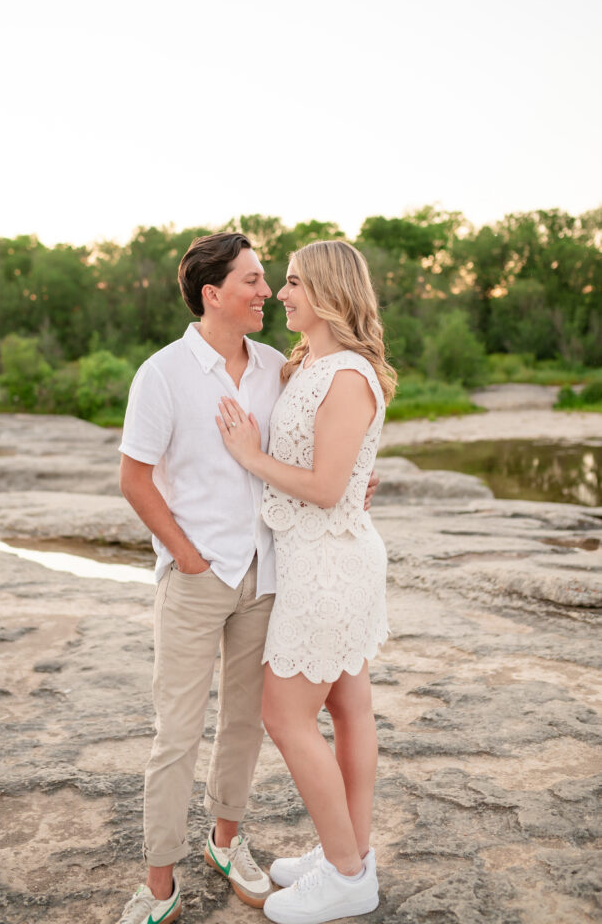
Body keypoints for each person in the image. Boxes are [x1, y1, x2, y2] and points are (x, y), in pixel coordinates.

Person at [114, 231, 379, 924]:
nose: (267, 292)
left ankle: (225, 844)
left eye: (275, 281)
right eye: (255, 281)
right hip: (197, 576)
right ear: (213, 293)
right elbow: (133, 480)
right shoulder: (162, 373)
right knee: (176, 732)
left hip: (269, 576)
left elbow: (329, 440)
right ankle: (158, 885)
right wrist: (186, 555)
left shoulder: (275, 367)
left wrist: (352, 483)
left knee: (244, 726)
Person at [215, 239, 397, 924]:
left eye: (291, 283)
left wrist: (249, 455)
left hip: (328, 564)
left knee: (284, 716)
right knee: (347, 709)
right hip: (313, 556)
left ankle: (348, 877)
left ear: (325, 292)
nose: (279, 294)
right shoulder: (309, 366)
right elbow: (340, 473)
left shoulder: (346, 374)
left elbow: (324, 487)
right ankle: (345, 852)